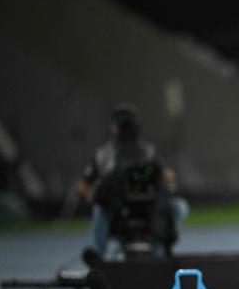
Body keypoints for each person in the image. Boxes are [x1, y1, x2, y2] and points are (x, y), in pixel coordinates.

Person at [78, 103, 189, 258]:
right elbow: (84, 184)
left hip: (150, 210)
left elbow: (166, 176)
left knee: (179, 207)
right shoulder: (104, 154)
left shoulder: (149, 151)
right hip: (119, 211)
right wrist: (97, 197)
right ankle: (98, 252)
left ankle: (158, 250)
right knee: (100, 206)